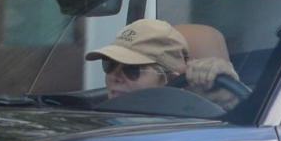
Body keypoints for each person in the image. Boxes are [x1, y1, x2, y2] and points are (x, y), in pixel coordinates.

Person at [88, 20, 225, 109]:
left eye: (131, 69)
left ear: (170, 79)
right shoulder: (91, 116)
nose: (114, 76)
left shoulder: (188, 125)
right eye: (109, 64)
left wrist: (226, 100)